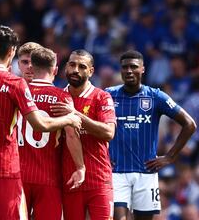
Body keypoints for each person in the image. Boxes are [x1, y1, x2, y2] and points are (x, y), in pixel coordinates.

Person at [0, 25, 81, 219]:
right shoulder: (14, 83)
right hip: (3, 169)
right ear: (11, 52)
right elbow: (40, 125)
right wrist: (69, 118)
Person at [105, 50, 196, 220]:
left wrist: (170, 157)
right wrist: (101, 155)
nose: (129, 71)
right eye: (125, 67)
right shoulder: (108, 95)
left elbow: (189, 124)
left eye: (133, 66)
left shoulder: (155, 96)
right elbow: (93, 127)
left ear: (143, 69)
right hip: (116, 171)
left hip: (146, 172)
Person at [18, 47, 85, 219]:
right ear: (55, 70)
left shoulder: (17, 93)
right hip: (48, 177)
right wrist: (80, 167)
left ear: (31, 69)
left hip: (18, 174)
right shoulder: (61, 97)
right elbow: (71, 134)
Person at [51, 49, 116, 220]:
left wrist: (75, 115)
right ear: (66, 66)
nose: (75, 70)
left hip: (99, 179)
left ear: (91, 71)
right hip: (70, 180)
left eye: (82, 66)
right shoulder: (58, 97)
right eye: (72, 65)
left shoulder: (101, 97)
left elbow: (109, 132)